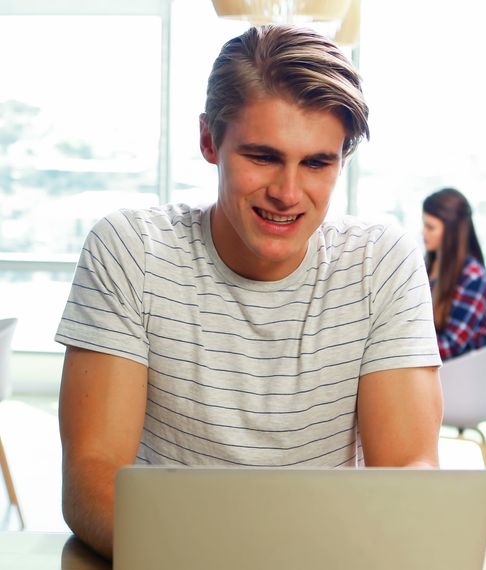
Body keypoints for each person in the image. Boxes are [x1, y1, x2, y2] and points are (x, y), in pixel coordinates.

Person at [55, 25, 443, 558]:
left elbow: (407, 469)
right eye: (262, 157)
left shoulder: (381, 262)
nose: (287, 193)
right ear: (209, 141)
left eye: (316, 163)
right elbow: (92, 478)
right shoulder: (131, 250)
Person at [421, 187, 486, 360]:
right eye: (423, 225)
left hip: (456, 375)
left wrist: (401, 346)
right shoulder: (429, 265)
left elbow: (450, 347)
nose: (423, 233)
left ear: (451, 232)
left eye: (430, 227)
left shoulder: (472, 277)